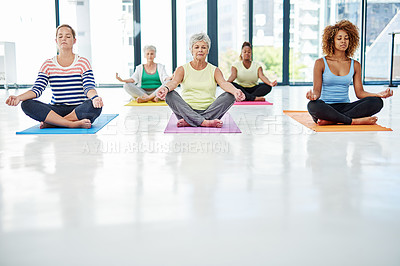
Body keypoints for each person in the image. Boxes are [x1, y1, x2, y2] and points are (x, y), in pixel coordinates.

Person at [5, 24, 103, 129]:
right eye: (60, 36)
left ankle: (54, 123)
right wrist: (18, 98)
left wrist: (95, 98)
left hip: (78, 109)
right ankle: (71, 124)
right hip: (56, 110)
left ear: (74, 41)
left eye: (68, 36)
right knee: (26, 104)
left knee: (95, 106)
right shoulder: (48, 64)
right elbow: (37, 89)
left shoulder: (83, 62)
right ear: (56, 41)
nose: (64, 39)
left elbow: (89, 87)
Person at [307, 20, 393, 125]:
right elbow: (317, 91)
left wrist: (377, 94)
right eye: (339, 38)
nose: (343, 41)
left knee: (377, 102)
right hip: (326, 106)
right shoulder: (320, 63)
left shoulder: (355, 64)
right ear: (331, 41)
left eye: (346, 38)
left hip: (346, 107)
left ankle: (332, 120)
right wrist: (313, 96)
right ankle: (353, 121)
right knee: (313, 105)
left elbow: (360, 93)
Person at [156, 32, 245, 128]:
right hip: (186, 111)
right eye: (196, 47)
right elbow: (173, 82)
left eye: (203, 47)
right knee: (170, 94)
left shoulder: (214, 70)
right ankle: (204, 122)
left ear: (207, 50)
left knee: (230, 95)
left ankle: (191, 121)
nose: (200, 50)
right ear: (191, 50)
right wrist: (165, 88)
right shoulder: (182, 69)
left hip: (210, 111)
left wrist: (236, 91)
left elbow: (224, 83)